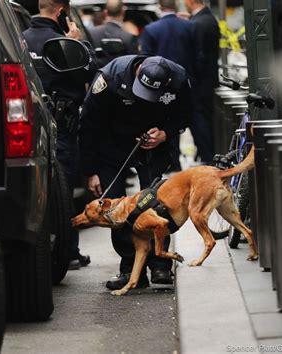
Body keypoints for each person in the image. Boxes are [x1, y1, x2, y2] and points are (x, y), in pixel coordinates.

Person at [79, 55, 192, 289]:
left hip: (153, 146)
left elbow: (187, 113)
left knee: (157, 205)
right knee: (115, 209)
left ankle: (160, 265)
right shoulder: (110, 78)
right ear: (137, 71)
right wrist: (90, 171)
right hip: (111, 146)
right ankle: (130, 269)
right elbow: (89, 125)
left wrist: (166, 134)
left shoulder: (179, 78)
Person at [23, 0, 96, 269]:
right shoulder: (63, 43)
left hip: (29, 126)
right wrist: (78, 42)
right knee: (63, 191)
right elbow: (90, 71)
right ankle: (69, 251)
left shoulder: (19, 40)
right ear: (61, 12)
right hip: (62, 127)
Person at [139, 0, 200, 170]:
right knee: (183, 119)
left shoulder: (151, 29)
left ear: (160, 7)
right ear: (175, 7)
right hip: (185, 83)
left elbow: (145, 60)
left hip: (157, 86)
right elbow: (197, 56)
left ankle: (171, 162)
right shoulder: (188, 27)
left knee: (163, 120)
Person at [184, 0, 220, 164]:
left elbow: (200, 56)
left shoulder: (199, 23)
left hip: (200, 84)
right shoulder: (206, 19)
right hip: (206, 81)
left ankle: (208, 158)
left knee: (201, 121)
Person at [89, 0, 139, 67]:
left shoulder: (91, 33)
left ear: (105, 12)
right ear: (123, 12)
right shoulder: (128, 37)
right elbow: (135, 64)